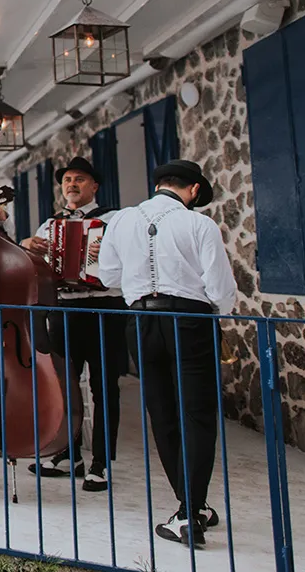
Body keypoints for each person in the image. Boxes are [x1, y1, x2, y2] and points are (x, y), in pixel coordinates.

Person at [95, 159, 236, 548]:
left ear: (159, 185)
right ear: (192, 191)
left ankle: (190, 505)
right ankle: (190, 510)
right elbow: (221, 289)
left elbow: (107, 276)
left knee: (162, 413)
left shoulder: (121, 220)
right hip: (189, 322)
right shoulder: (199, 224)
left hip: (140, 321)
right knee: (198, 413)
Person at [19, 157, 124, 491]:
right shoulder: (50, 225)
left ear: (94, 186)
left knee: (104, 386)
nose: (72, 184)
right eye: (66, 180)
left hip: (105, 307)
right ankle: (70, 454)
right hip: (65, 310)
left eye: (79, 179)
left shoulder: (113, 220)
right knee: (64, 387)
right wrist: (26, 247)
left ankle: (101, 463)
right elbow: (34, 267)